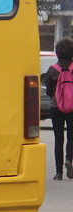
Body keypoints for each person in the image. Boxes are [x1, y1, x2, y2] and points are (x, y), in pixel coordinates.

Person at [45, 36, 73, 180]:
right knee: (71, 136)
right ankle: (69, 158)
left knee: (58, 139)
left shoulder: (52, 70)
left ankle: (58, 172)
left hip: (56, 107)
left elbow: (48, 91)